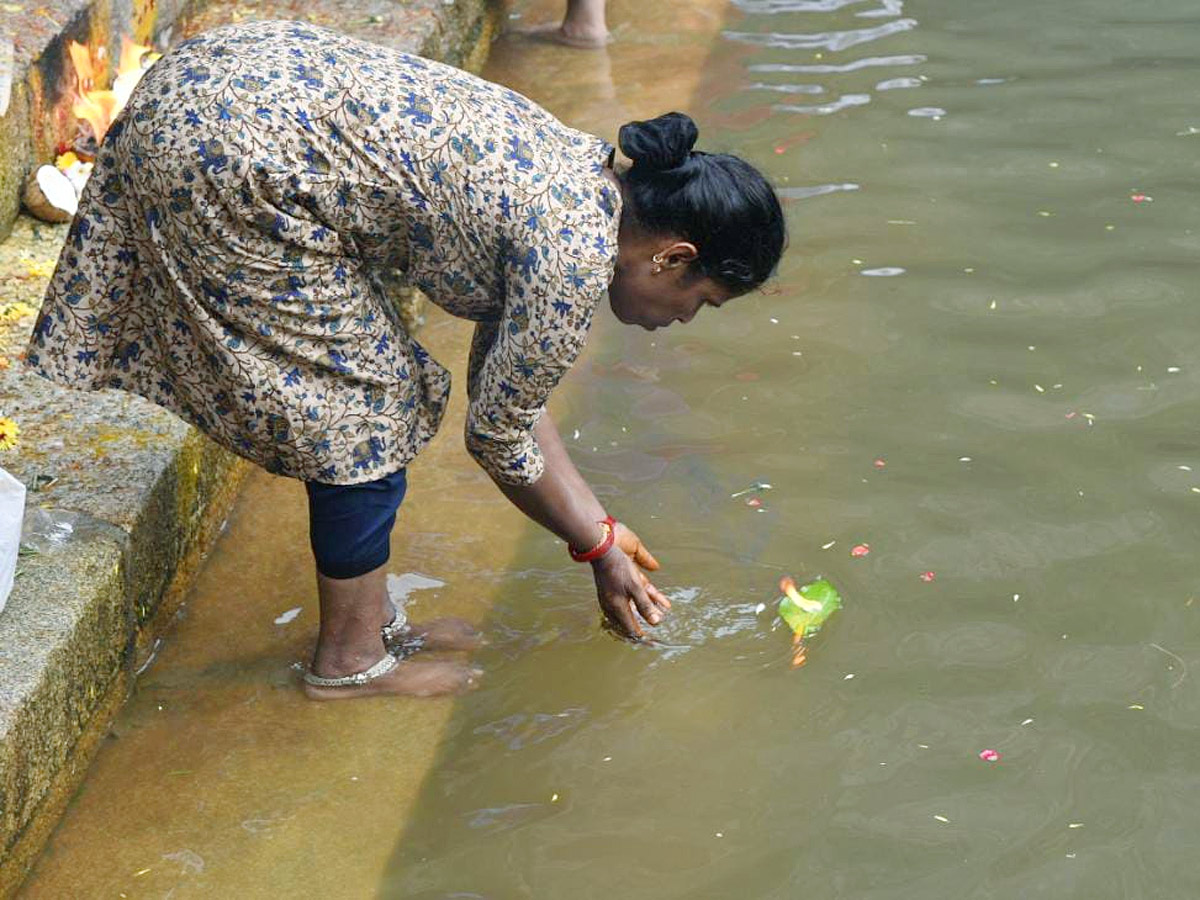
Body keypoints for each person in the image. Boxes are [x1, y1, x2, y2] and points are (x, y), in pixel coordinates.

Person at [27, 20, 786, 699]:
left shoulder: (583, 177)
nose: (683, 320)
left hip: (217, 75)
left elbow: (509, 404)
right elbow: (496, 439)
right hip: (231, 154)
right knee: (365, 410)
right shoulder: (572, 263)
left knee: (373, 387)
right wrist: (595, 544)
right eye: (702, 301)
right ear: (671, 258)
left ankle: (373, 622)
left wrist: (601, 532)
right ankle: (350, 660)